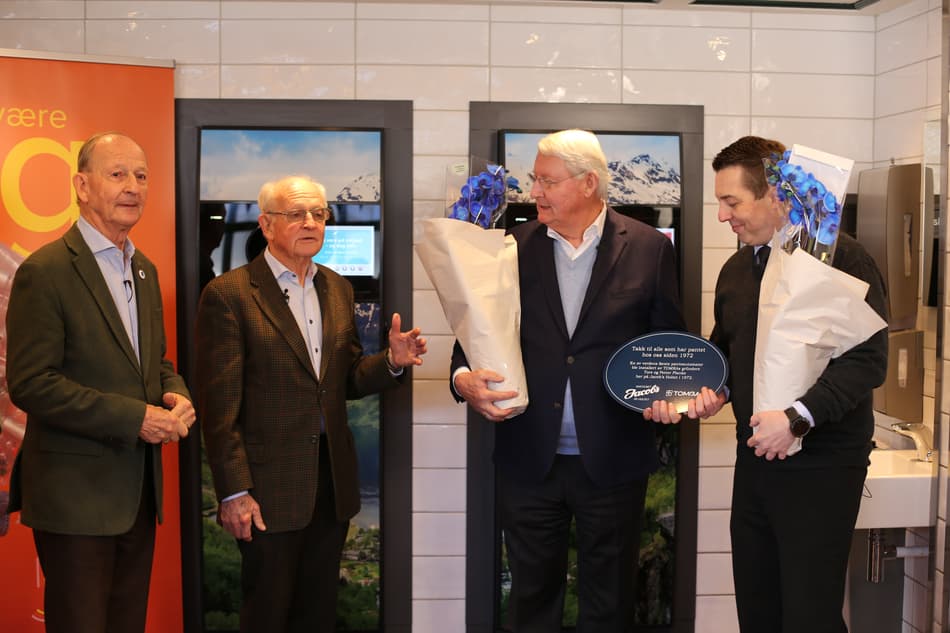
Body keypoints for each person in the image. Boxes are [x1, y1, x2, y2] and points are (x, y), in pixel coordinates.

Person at [646, 135, 888, 633]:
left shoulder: (842, 258)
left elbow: (869, 360)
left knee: (808, 613)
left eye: (731, 201)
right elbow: (729, 353)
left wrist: (798, 419)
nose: (721, 216)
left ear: (775, 194)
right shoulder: (738, 268)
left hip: (822, 462)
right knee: (758, 604)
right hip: (755, 457)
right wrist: (708, 392)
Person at [451, 129, 686, 632]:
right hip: (529, 456)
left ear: (588, 184)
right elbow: (473, 336)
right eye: (535, 180)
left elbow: (667, 343)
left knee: (610, 600)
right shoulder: (510, 249)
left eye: (546, 181)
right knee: (532, 597)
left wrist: (674, 397)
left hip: (615, 458)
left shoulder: (649, 248)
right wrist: (462, 378)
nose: (533, 191)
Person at [196, 175, 426, 633]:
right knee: (267, 612)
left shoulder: (337, 289)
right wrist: (235, 492)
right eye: (296, 214)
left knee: (318, 613)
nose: (310, 223)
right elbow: (220, 408)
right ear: (265, 224)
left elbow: (347, 380)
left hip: (331, 482)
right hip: (265, 487)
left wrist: (393, 362)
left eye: (319, 214)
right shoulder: (230, 295)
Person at [5, 131, 195, 633]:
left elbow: (153, 362)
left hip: (137, 493)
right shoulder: (45, 271)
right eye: (117, 175)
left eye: (141, 175)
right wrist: (135, 418)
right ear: (81, 186)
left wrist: (178, 393)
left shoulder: (146, 270)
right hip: (75, 499)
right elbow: (31, 382)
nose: (133, 186)